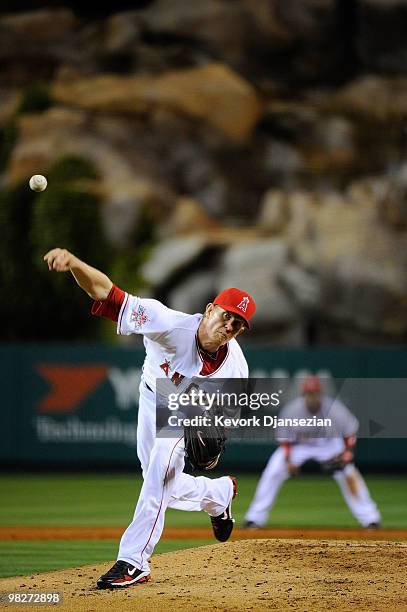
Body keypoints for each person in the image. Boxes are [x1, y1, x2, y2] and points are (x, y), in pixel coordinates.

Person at [44, 247, 256, 589]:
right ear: (209, 309)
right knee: (157, 481)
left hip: (186, 415)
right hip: (152, 393)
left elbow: (221, 424)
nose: (229, 325)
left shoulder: (236, 370)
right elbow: (108, 296)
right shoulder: (168, 324)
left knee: (159, 469)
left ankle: (134, 561)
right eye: (226, 315)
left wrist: (211, 439)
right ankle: (217, 496)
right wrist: (75, 264)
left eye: (238, 324)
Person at [243, 375, 381, 529]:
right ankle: (254, 518)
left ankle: (371, 519)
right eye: (309, 394)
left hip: (329, 445)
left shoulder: (334, 409)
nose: (312, 397)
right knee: (273, 470)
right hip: (299, 446)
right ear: (304, 395)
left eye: (314, 393)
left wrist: (347, 454)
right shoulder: (292, 410)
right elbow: (284, 439)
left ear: (320, 394)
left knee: (349, 473)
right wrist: (288, 460)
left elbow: (350, 432)